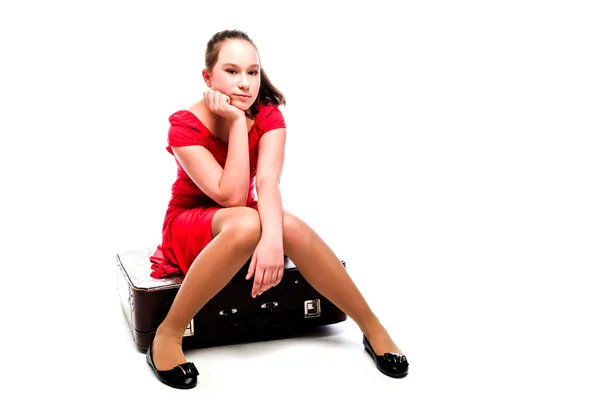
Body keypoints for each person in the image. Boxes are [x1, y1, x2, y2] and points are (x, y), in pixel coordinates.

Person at [146, 29, 409, 389]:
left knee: (290, 226)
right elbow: (232, 195)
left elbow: (267, 183)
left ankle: (373, 327)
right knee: (246, 223)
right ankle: (168, 335)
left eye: (252, 72)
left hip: (243, 218)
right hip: (190, 225)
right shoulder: (184, 125)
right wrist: (237, 123)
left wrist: (273, 238)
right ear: (207, 78)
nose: (244, 83)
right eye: (232, 71)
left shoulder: (268, 117)